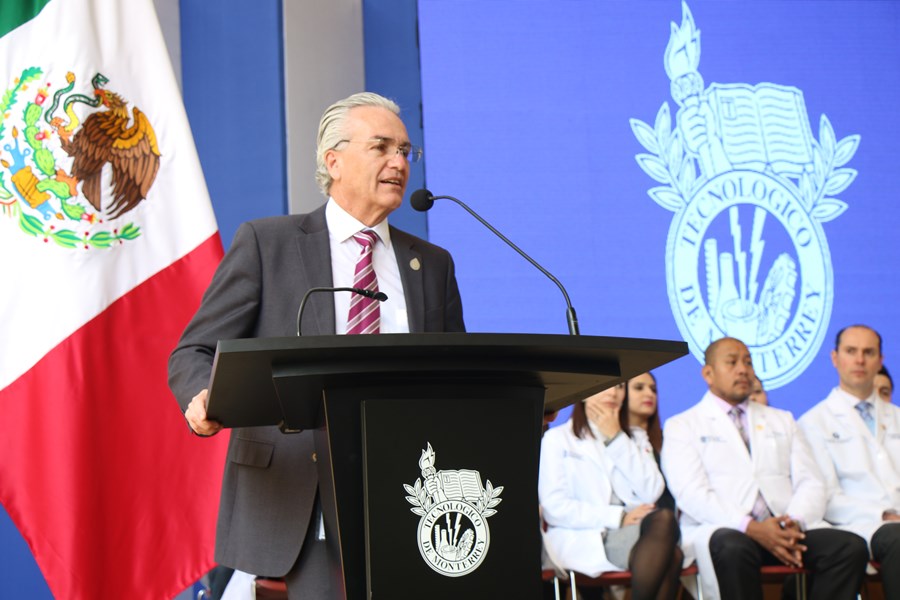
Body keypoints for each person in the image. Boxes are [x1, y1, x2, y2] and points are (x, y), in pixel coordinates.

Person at [168, 92, 465, 599]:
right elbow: (193, 351)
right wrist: (202, 396)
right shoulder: (269, 244)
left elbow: (457, 375)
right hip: (295, 497)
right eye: (382, 147)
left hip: (408, 498)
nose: (399, 162)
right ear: (334, 161)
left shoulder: (430, 264)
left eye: (406, 151)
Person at [661, 337, 868, 600]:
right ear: (708, 373)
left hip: (786, 528)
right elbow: (691, 492)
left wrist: (791, 523)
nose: (743, 369)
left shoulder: (782, 419)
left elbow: (811, 482)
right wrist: (750, 526)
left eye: (748, 362)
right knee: (733, 547)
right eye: (732, 362)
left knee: (849, 547)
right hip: (729, 528)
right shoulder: (683, 425)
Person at [539, 382, 684, 600]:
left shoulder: (634, 436)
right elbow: (555, 508)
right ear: (583, 394)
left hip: (639, 534)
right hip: (583, 535)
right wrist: (619, 517)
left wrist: (616, 438)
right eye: (604, 386)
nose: (613, 393)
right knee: (671, 550)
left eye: (620, 387)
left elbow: (652, 491)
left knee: (667, 533)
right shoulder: (557, 439)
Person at [798, 325, 900, 598]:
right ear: (835, 358)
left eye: (868, 352)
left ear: (880, 360)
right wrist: (884, 515)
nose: (860, 360)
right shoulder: (812, 422)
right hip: (859, 526)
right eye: (851, 351)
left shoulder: (897, 416)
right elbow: (827, 497)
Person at [623, 372, 675, 511]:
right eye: (639, 388)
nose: (649, 394)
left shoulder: (671, 439)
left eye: (653, 389)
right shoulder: (615, 442)